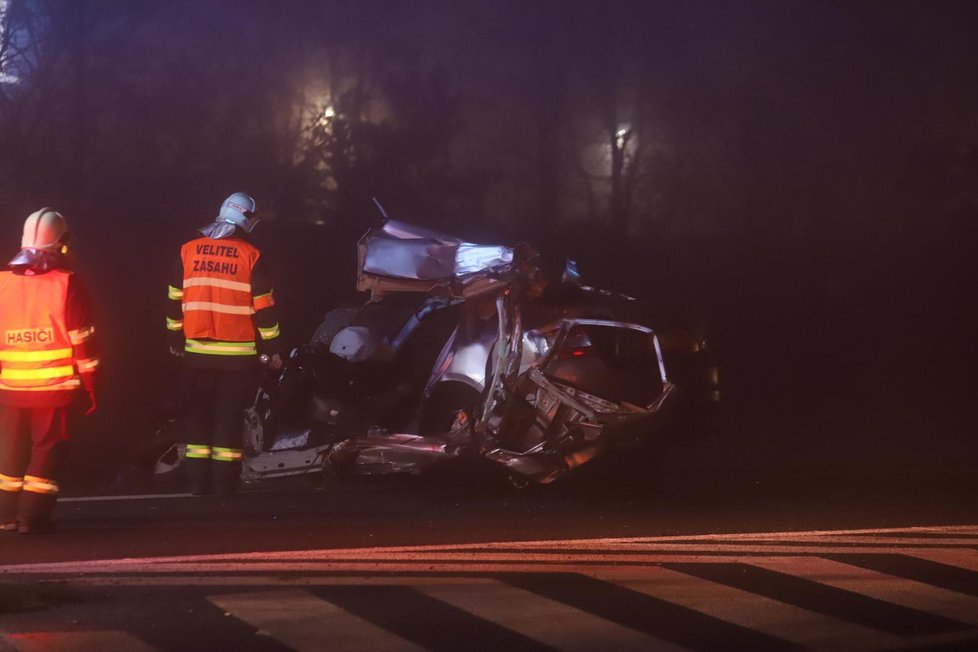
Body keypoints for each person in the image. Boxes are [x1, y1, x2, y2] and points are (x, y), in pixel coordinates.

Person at [166, 193, 282, 495]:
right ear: (245, 217)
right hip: (237, 357)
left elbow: (174, 300)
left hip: (196, 354)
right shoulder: (251, 255)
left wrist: (175, 339)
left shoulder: (187, 251)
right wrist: (272, 350)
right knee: (228, 420)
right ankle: (223, 487)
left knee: (197, 417)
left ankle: (196, 485)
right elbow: (265, 309)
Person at [0, 208, 99, 534]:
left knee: (8, 451)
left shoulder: (3, 283)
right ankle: (33, 518)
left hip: (10, 388)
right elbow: (82, 342)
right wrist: (92, 387)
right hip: (55, 388)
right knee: (47, 449)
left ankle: (4, 516)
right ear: (62, 243)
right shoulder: (66, 283)